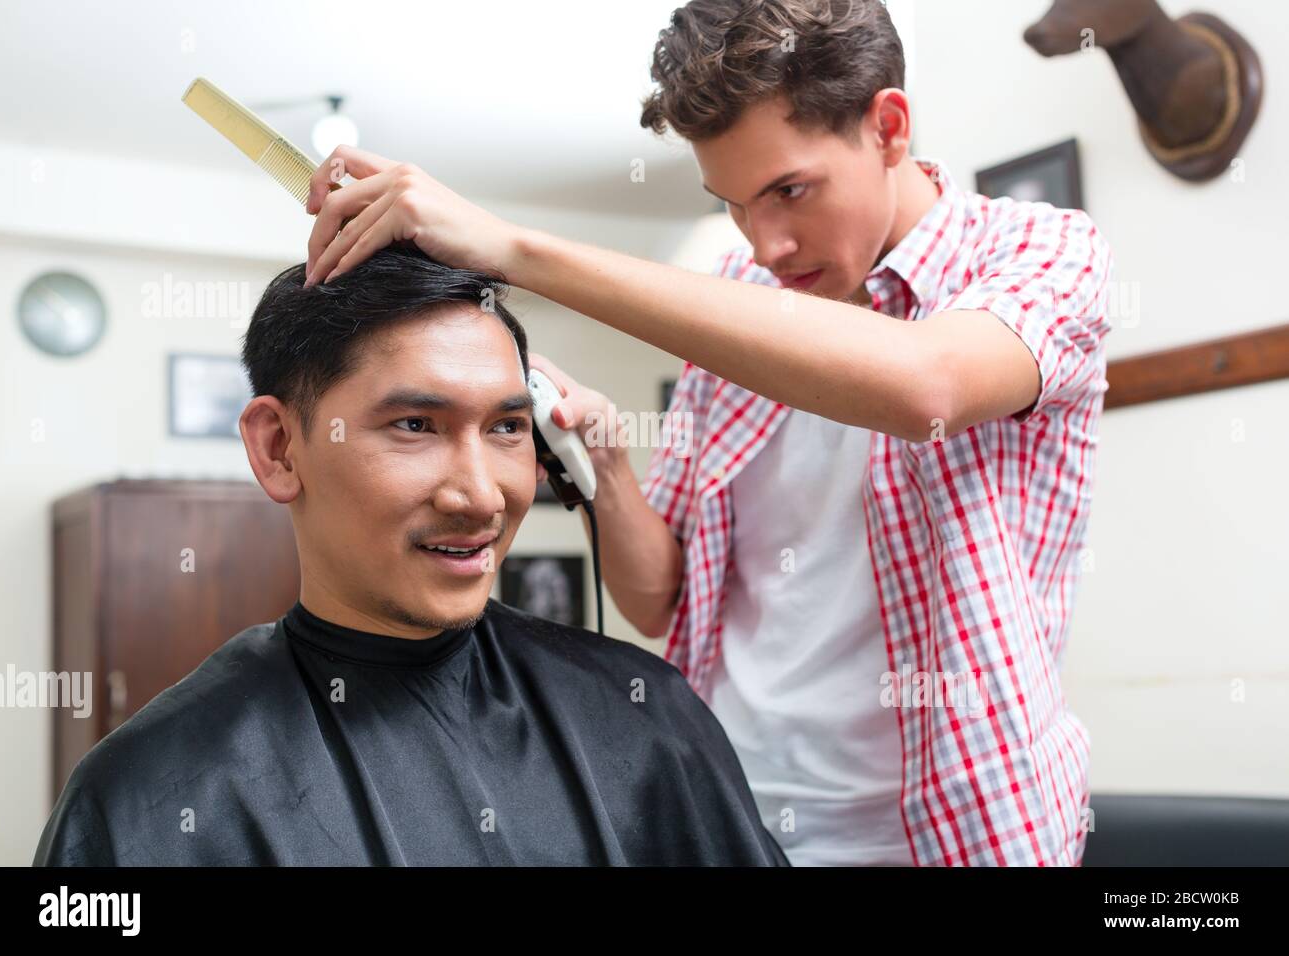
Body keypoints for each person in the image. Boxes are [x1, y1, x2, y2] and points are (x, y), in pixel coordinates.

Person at [299, 1, 1113, 866]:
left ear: (888, 126)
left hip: (960, 830)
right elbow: (661, 600)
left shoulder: (1043, 253)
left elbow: (926, 387)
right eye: (732, 204)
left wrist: (513, 248)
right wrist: (605, 468)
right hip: (735, 817)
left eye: (789, 191)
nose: (765, 246)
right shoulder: (734, 292)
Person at [33, 245, 790, 867]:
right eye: (416, 425)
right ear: (278, 448)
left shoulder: (643, 714)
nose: (482, 496)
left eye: (505, 429)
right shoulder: (152, 793)